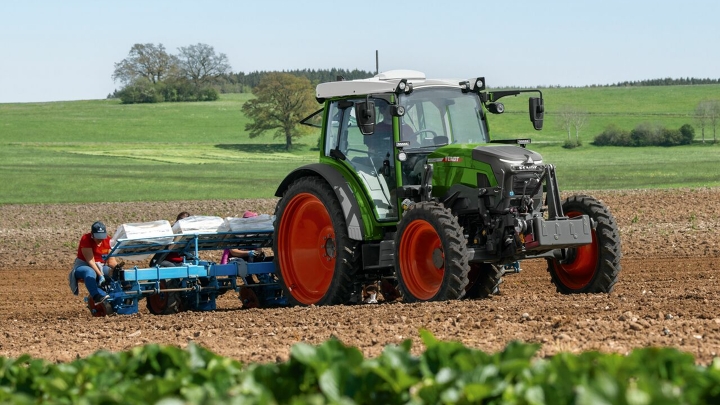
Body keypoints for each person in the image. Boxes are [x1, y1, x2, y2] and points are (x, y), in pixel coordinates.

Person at [68, 221, 117, 304]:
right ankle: (96, 296)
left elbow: (111, 261)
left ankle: (115, 294)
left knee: (111, 272)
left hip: (100, 265)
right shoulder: (86, 239)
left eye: (102, 237)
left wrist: (117, 269)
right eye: (98, 237)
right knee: (90, 272)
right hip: (84, 265)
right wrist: (100, 275)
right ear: (92, 234)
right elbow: (90, 261)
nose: (100, 240)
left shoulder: (108, 240)